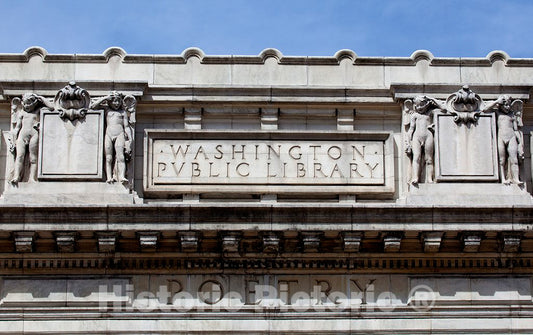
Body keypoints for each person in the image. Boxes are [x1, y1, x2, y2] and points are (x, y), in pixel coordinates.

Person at [10, 93, 54, 184]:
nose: (27, 106)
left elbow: (52, 107)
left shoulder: (38, 110)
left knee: (33, 158)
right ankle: (16, 176)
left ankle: (32, 178)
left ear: (34, 104)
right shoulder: (22, 113)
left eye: (29, 104)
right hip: (22, 136)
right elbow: (17, 128)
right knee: (20, 156)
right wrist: (13, 139)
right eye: (25, 104)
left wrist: (40, 97)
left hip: (34, 134)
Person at [90, 92, 134, 183]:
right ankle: (109, 177)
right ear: (110, 102)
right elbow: (93, 106)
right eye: (114, 101)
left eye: (118, 101)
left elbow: (126, 126)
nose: (117, 103)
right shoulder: (107, 110)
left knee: (121, 157)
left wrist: (130, 138)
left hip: (120, 134)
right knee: (108, 158)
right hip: (108, 135)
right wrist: (105, 98)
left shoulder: (123, 112)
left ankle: (121, 176)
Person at [483, 95, 524, 185]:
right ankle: (503, 179)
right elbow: (484, 109)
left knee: (514, 159)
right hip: (501, 137)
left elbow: (516, 130)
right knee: (502, 160)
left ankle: (515, 179)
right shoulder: (497, 113)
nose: (508, 107)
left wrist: (520, 143)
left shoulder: (512, 115)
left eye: (509, 105)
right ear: (500, 105)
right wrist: (497, 101)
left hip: (512, 137)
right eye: (505, 105)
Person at [405, 96, 443, 185]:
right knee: (416, 157)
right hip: (416, 137)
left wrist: (432, 99)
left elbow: (444, 109)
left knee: (429, 159)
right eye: (417, 105)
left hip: (428, 136)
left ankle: (429, 178)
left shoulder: (430, 113)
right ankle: (415, 177)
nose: (419, 108)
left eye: (421, 105)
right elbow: (411, 129)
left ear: (426, 104)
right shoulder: (414, 115)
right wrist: (408, 141)